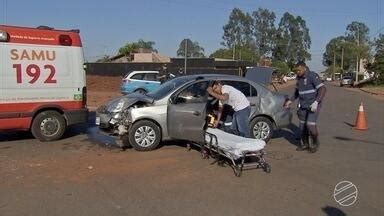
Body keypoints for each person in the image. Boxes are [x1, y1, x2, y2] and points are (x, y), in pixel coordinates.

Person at [284, 61, 326, 153]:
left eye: (299, 70)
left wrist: (316, 102)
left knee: (310, 125)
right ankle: (305, 144)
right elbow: (296, 92)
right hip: (303, 106)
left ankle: (315, 142)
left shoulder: (312, 76)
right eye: (296, 71)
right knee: (302, 127)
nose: (297, 72)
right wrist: (290, 100)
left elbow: (322, 89)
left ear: (304, 68)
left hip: (313, 105)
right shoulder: (299, 79)